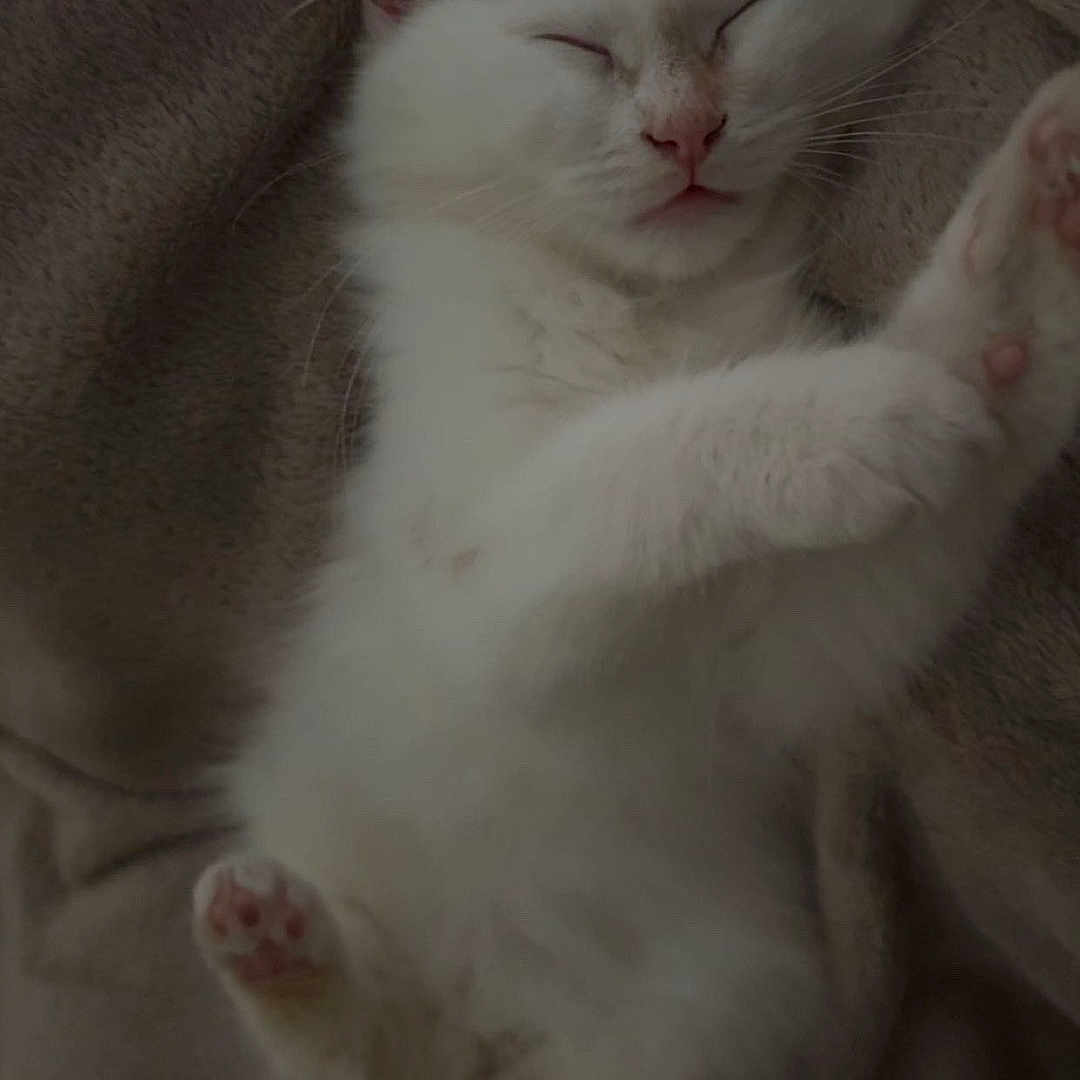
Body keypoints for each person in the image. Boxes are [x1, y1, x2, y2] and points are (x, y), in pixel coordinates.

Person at [1, 2, 1078, 1076]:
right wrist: (762, 451)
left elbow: (804, 658)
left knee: (754, 997)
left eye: (734, 23)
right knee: (344, 930)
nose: (682, 119)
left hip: (665, 947)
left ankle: (1004, 346)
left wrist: (963, 361)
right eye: (578, 52)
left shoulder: (767, 282)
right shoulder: (464, 276)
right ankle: (342, 1032)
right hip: (390, 860)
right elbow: (511, 616)